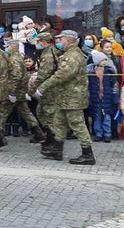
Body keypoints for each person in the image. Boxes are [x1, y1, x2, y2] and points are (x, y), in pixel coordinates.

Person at [34, 30, 93, 165]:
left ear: (69, 40)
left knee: (77, 125)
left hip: (73, 97)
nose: (59, 42)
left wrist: (42, 87)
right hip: (65, 97)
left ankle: (88, 154)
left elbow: (61, 75)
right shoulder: (68, 54)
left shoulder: (72, 56)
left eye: (61, 39)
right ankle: (57, 150)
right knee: (58, 123)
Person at [4, 38, 45, 142]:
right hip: (21, 91)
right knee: (26, 112)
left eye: (8, 46)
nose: (6, 48)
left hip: (15, 91)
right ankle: (38, 132)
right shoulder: (19, 58)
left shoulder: (14, 59)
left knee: (2, 113)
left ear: (12, 46)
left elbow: (16, 77)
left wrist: (12, 93)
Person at [29, 32, 57, 148]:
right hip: (47, 89)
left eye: (39, 41)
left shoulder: (48, 55)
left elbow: (43, 75)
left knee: (48, 116)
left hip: (49, 90)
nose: (38, 44)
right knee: (41, 112)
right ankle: (50, 137)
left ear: (44, 41)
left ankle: (54, 141)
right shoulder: (48, 52)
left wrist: (31, 89)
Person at [88, 51, 117, 143]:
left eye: (105, 60)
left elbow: (114, 84)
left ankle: (107, 134)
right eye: (102, 60)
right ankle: (98, 134)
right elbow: (89, 86)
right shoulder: (91, 72)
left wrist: (115, 96)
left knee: (107, 117)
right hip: (95, 98)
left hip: (107, 97)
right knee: (97, 117)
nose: (104, 62)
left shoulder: (109, 70)